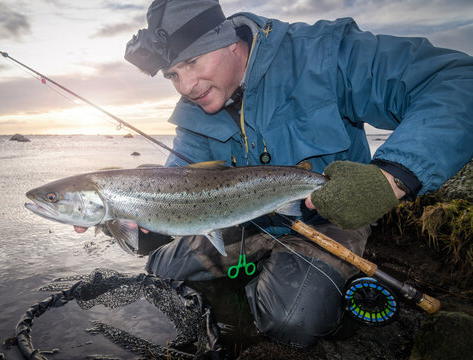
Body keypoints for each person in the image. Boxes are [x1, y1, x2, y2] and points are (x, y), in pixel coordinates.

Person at [117, 0, 473, 348]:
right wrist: (121, 209)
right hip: (243, 221)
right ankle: (266, 270)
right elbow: (178, 176)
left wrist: (393, 176)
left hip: (326, 219)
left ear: (228, 40)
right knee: (162, 268)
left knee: (292, 321)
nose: (187, 87)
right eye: (174, 75)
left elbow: (456, 80)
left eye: (193, 62)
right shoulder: (191, 113)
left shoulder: (325, 55)